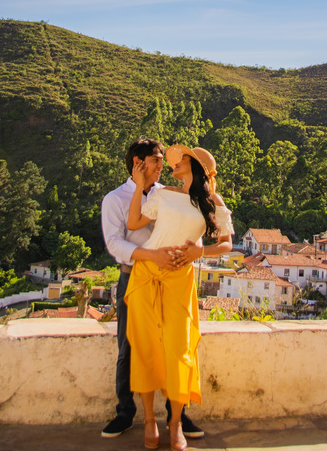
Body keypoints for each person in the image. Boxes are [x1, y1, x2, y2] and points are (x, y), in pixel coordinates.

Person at [125, 143, 233, 451]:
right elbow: (133, 224)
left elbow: (226, 244)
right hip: (146, 274)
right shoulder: (163, 194)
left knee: (179, 350)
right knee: (145, 347)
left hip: (179, 278)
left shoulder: (212, 201)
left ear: (196, 166)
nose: (174, 163)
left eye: (181, 159)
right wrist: (138, 186)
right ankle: (149, 420)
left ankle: (175, 424)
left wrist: (200, 252)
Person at [100, 138, 208, 442]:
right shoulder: (115, 199)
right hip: (134, 277)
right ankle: (126, 412)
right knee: (129, 347)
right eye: (157, 160)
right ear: (138, 163)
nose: (164, 165)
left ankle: (178, 417)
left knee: (176, 347)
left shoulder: (171, 193)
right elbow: (114, 243)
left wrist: (194, 250)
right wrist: (152, 256)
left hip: (173, 279)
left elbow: (194, 225)